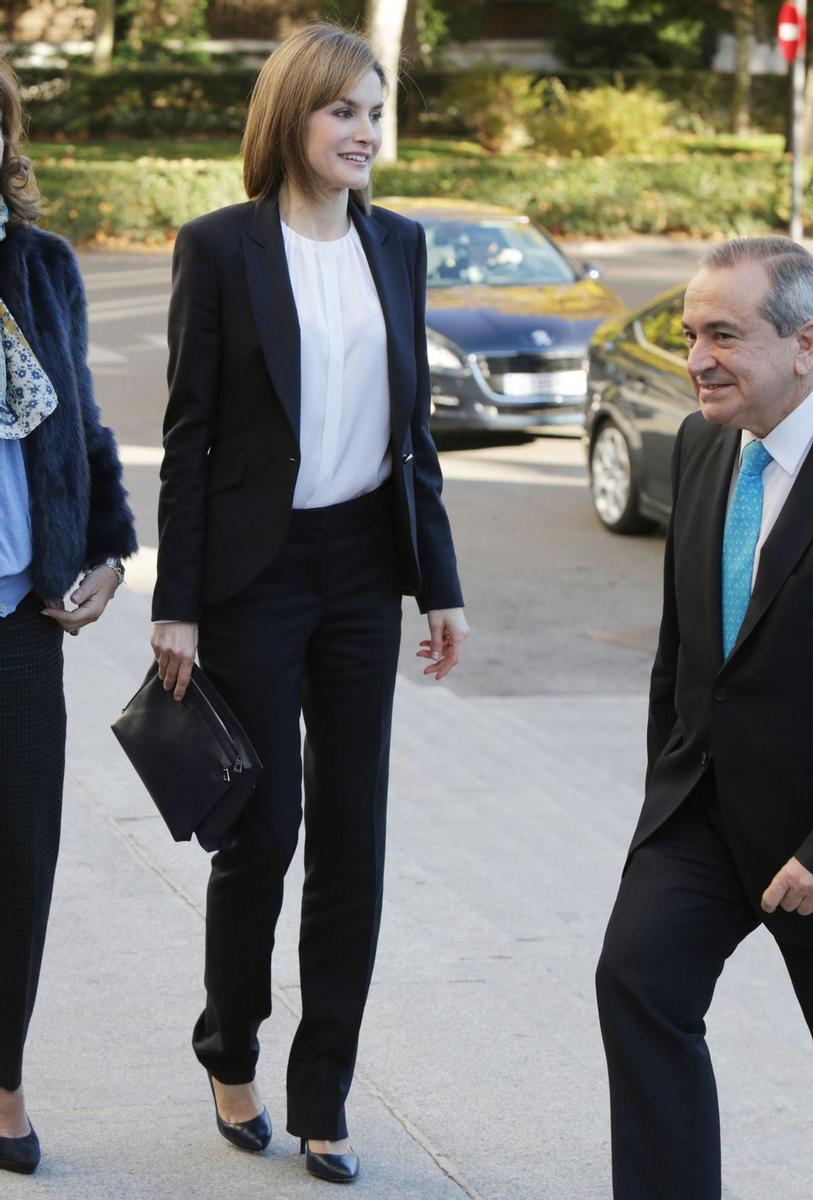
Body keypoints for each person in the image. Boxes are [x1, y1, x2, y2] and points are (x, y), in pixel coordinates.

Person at [150, 23, 467, 1185]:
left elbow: (413, 435)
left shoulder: (402, 246)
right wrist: (173, 602)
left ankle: (323, 1095)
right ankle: (229, 1049)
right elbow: (189, 439)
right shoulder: (221, 249)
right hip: (250, 578)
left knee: (354, 841)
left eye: (376, 112)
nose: (366, 133)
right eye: (344, 112)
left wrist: (439, 582)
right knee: (264, 832)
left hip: (355, 575)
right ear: (292, 119)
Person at [595, 236, 813, 1200]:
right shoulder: (698, 444)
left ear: (805, 345)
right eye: (689, 335)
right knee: (637, 985)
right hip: (702, 810)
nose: (693, 359)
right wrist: (662, 798)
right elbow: (682, 650)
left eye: (723, 335)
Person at [0, 61, 136, 1175]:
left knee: (18, 862)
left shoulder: (39, 265)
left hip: (16, 621)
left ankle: (3, 1084)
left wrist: (107, 549)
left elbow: (83, 420)